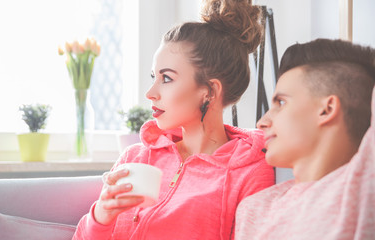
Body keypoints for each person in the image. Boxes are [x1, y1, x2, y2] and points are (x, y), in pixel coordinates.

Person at [73, 0, 275, 239]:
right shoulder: (135, 158)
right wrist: (101, 217)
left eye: (166, 78)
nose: (150, 93)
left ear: (209, 91)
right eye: (153, 77)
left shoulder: (250, 172)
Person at [235, 38, 375, 240]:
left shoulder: (361, 187)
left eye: (281, 102)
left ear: (326, 109)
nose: (261, 122)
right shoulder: (254, 208)